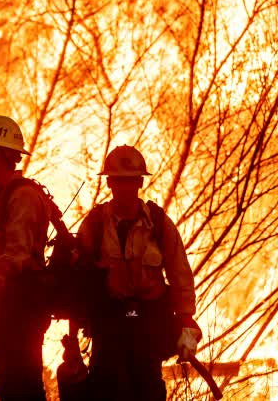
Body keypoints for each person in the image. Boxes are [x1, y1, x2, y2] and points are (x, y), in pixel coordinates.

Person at [75, 145, 202, 401]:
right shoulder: (95, 224)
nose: (124, 187)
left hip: (148, 324)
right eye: (119, 181)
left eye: (130, 181)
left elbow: (180, 274)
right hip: (108, 325)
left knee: (148, 390)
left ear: (140, 183)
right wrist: (76, 326)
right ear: (109, 183)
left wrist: (187, 322)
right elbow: (78, 279)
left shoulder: (159, 224)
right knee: (103, 391)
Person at [0, 115, 51, 401]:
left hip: (23, 303)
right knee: (6, 385)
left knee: (22, 385)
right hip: (5, 302)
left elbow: (19, 251)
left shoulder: (23, 196)